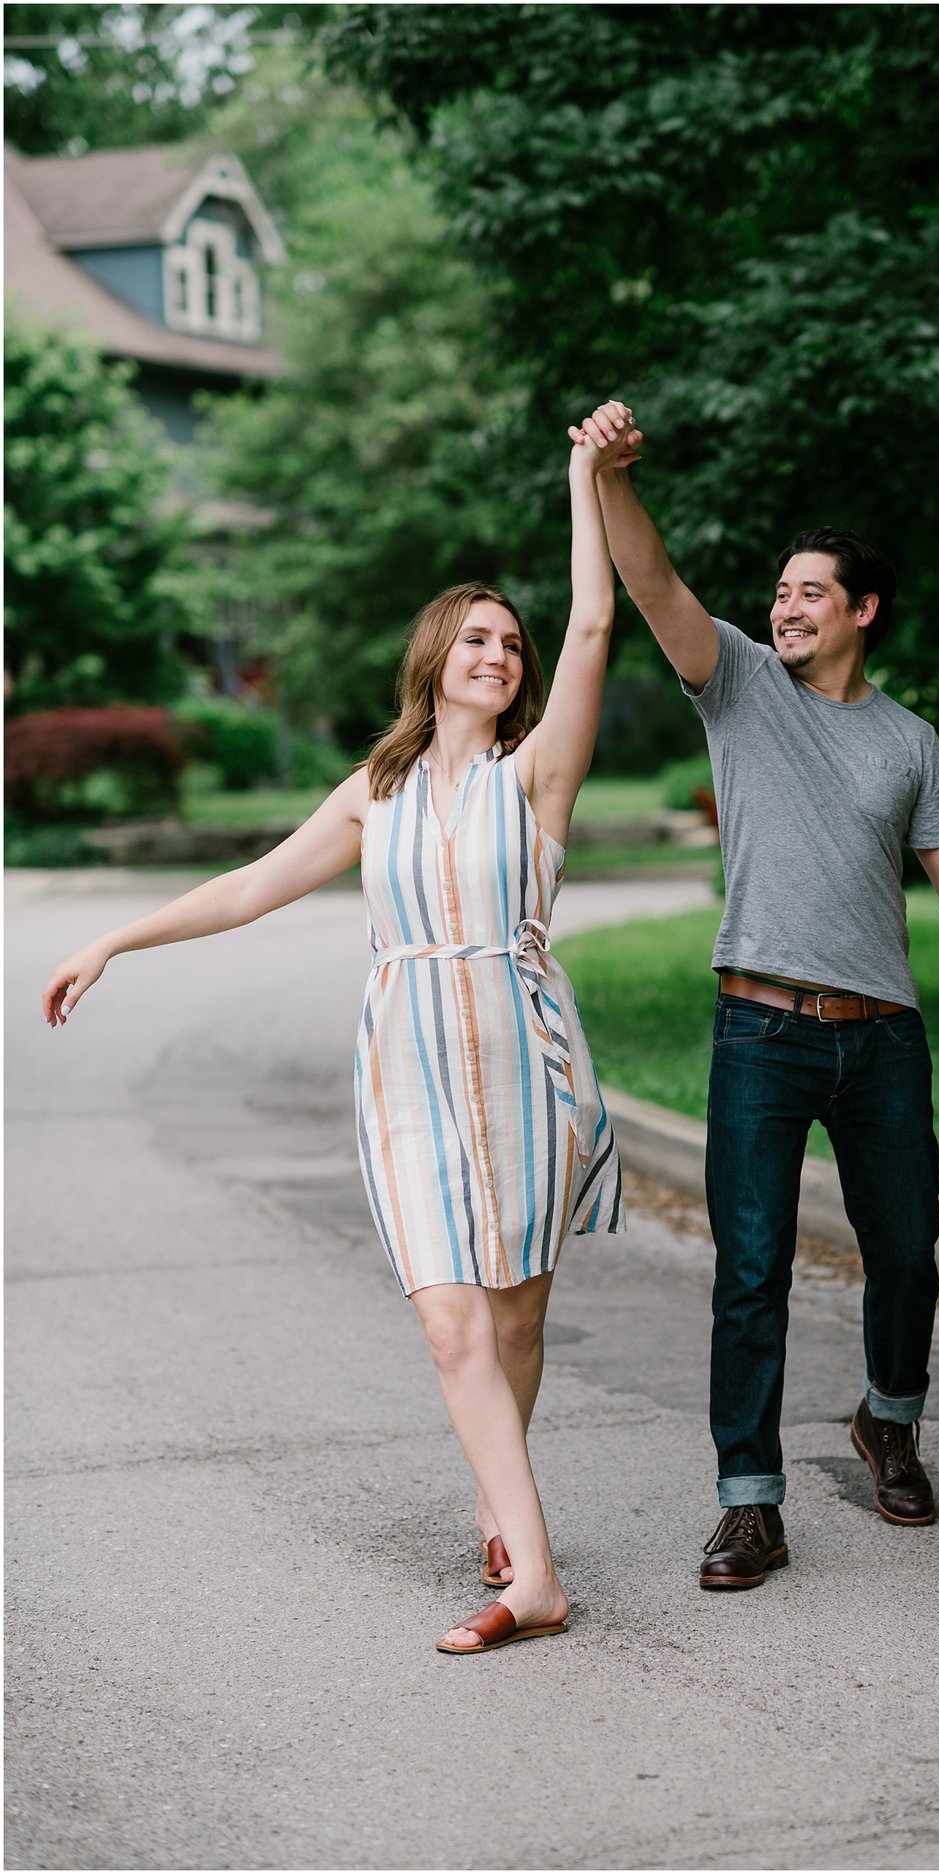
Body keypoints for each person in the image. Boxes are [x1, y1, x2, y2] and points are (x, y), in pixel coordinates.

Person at [41, 432, 625, 1657]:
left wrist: (590, 483)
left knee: (516, 1323)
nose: (500, 653)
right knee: (450, 1320)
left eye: (509, 644)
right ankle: (539, 1575)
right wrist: (116, 941)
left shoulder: (538, 778)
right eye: (476, 636)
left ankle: (498, 1512)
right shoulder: (377, 786)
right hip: (406, 1058)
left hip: (521, 1051)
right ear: (434, 655)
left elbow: (589, 630)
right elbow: (254, 885)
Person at [565, 400, 939, 1587]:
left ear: (862, 609)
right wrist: (607, 475)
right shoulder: (738, 685)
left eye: (810, 590)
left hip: (881, 1037)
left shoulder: (911, 742)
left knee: (907, 1249)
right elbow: (649, 575)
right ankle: (750, 1501)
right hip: (759, 1028)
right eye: (778, 591)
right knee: (751, 1265)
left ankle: (887, 1420)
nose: (786, 605)